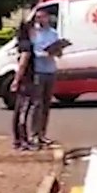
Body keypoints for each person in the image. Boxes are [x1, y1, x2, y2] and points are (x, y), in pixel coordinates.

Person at [27, 8, 62, 148]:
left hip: (50, 71)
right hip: (38, 71)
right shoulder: (34, 33)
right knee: (37, 104)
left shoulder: (53, 33)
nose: (40, 20)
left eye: (42, 17)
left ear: (48, 18)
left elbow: (58, 52)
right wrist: (43, 54)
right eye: (37, 17)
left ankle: (42, 134)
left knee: (47, 104)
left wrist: (57, 51)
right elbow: (32, 52)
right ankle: (33, 134)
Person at [9, 20, 36, 150]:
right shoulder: (27, 45)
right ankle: (23, 140)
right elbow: (23, 63)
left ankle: (17, 139)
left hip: (24, 80)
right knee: (23, 111)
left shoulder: (21, 43)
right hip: (27, 80)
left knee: (19, 110)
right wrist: (16, 80)